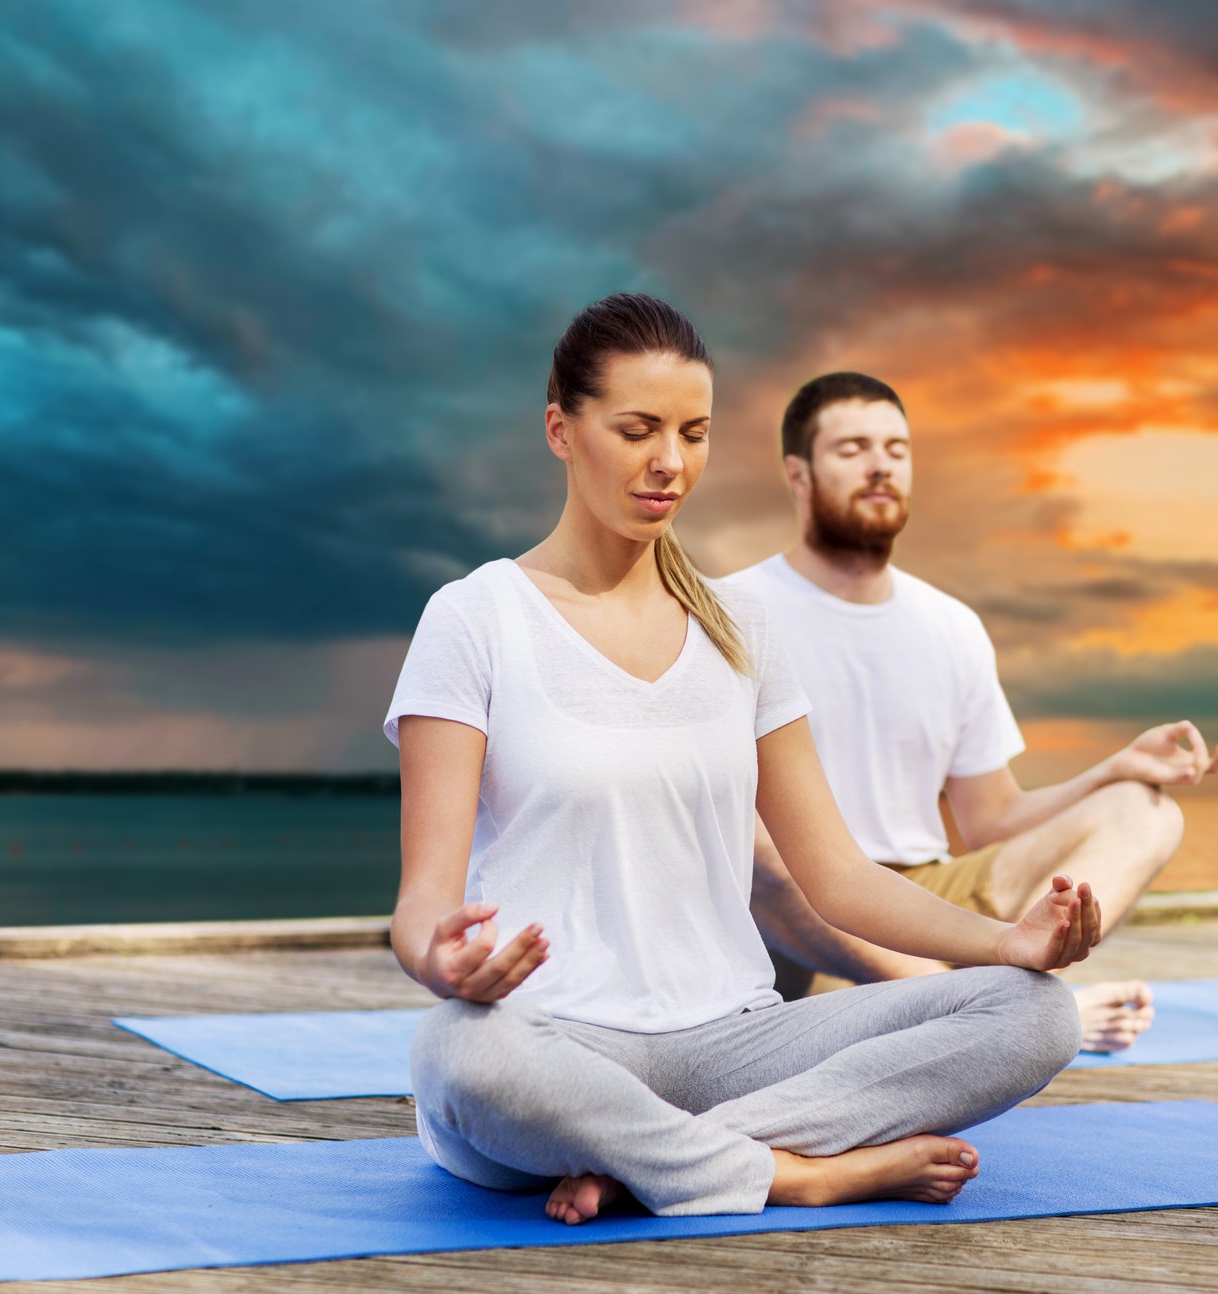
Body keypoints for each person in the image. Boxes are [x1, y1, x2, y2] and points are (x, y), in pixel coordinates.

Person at [382, 295, 1099, 1226]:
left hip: (735, 1042)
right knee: (460, 1056)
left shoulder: (741, 627)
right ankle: (797, 1172)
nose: (669, 464)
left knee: (1036, 1012)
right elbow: (421, 907)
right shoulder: (474, 618)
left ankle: (656, 1164)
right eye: (636, 430)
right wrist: (443, 966)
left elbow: (837, 876)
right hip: (553, 1045)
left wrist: (1008, 945)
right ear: (561, 430)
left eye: (693, 432)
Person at [719, 372, 1218, 1052]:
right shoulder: (731, 610)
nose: (880, 465)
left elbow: (989, 818)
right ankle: (984, 1020)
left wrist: (1114, 768)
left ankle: (971, 1006)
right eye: (852, 449)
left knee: (1147, 809)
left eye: (896, 450)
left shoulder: (949, 626)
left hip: (923, 898)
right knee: (756, 849)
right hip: (796, 910)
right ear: (798, 474)